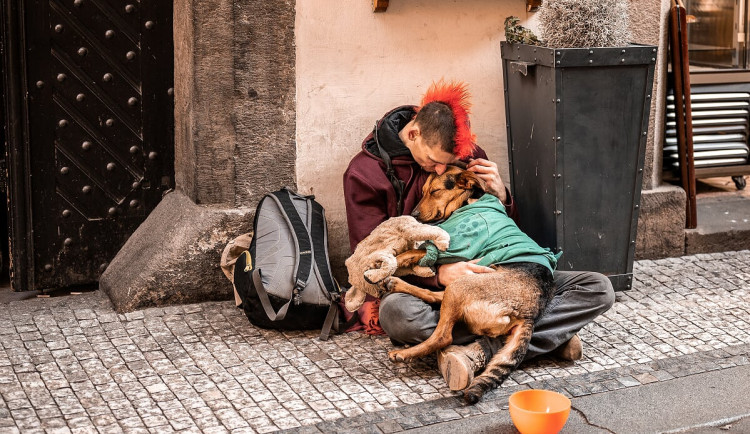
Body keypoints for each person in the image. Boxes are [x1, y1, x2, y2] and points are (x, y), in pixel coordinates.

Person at [342, 80, 615, 390]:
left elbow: (505, 228)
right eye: (433, 162)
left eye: (448, 164)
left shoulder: (465, 154)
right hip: (439, 289)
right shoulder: (364, 174)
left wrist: (502, 194)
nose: (441, 170)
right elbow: (370, 263)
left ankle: (480, 352)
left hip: (502, 275)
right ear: (414, 133)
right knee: (397, 314)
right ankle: (547, 336)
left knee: (598, 288)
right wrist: (440, 274)